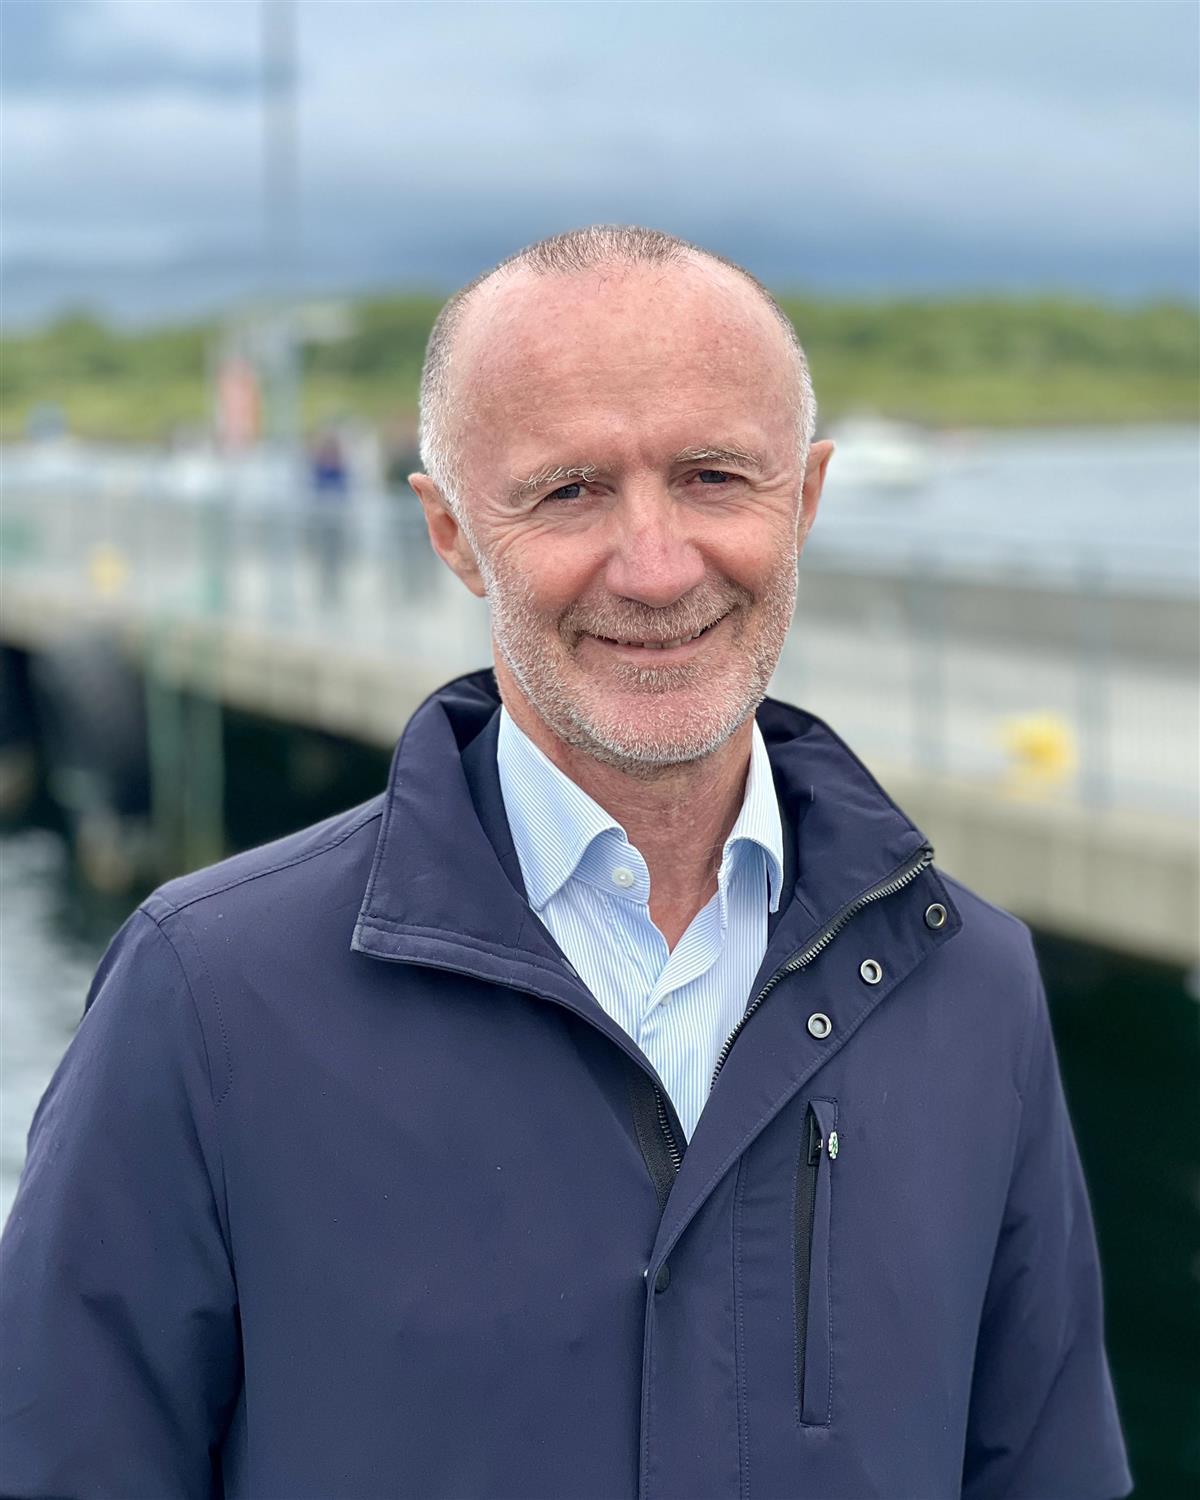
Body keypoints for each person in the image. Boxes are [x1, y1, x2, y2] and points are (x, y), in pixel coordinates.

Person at [0, 226, 1132, 1500]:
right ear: (449, 531)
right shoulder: (207, 996)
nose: (655, 567)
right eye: (570, 491)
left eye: (714, 477)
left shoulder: (973, 985)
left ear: (806, 501)